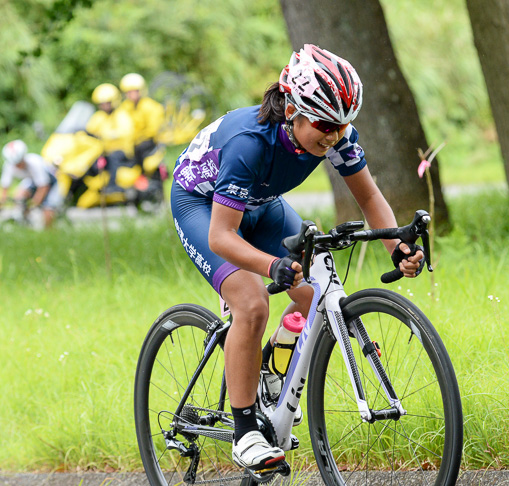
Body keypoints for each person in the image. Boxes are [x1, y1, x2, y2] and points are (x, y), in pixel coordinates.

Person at [170, 44, 425, 471]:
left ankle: (272, 362)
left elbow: (369, 196)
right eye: (326, 124)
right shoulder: (249, 144)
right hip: (201, 205)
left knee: (317, 293)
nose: (335, 135)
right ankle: (245, 429)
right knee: (252, 303)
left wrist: (397, 247)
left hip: (261, 203)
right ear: (294, 109)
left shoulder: (337, 136)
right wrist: (270, 266)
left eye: (344, 125)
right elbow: (221, 236)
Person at [0, 140, 63, 228]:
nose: (18, 166)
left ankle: (48, 233)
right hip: (33, 181)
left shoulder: (35, 163)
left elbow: (44, 187)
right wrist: (0, 204)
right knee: (19, 197)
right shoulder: (9, 165)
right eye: (15, 164)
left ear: (24, 157)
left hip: (51, 183)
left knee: (48, 209)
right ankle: (24, 224)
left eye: (19, 162)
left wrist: (33, 204)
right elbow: (5, 187)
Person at [87, 83, 135, 191]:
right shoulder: (99, 116)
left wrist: (109, 135)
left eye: (107, 103)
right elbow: (90, 130)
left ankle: (113, 186)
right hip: (103, 151)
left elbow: (126, 131)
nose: (104, 106)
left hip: (122, 151)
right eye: (102, 104)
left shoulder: (121, 115)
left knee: (114, 157)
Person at [118, 73, 165, 171]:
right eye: (129, 92)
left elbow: (152, 130)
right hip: (130, 144)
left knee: (142, 149)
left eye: (135, 91)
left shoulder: (152, 107)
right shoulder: (124, 107)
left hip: (148, 143)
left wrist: (136, 138)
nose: (132, 94)